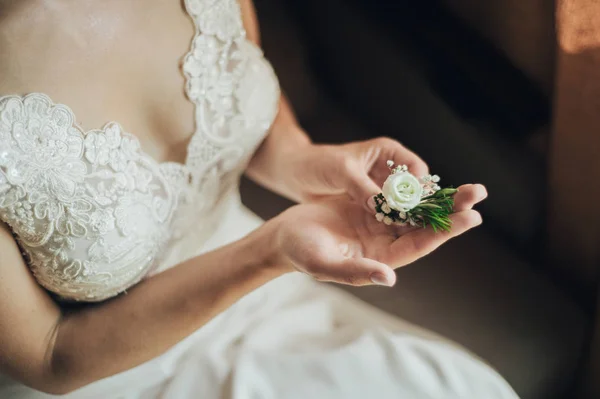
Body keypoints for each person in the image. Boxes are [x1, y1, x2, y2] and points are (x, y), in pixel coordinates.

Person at [0, 0, 519, 397]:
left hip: (266, 300)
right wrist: (269, 252)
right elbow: (51, 356)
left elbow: (244, 93)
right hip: (110, 372)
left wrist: (302, 159)